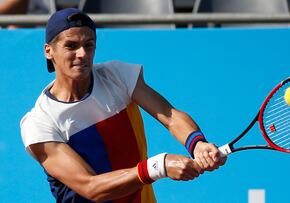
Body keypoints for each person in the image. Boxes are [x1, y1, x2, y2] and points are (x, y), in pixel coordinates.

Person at [20, 8, 226, 203]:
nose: (82, 53)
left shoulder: (117, 75)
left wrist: (197, 144)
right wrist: (158, 166)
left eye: (89, 45)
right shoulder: (38, 124)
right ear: (49, 51)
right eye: (71, 46)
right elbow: (91, 187)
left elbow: (169, 115)